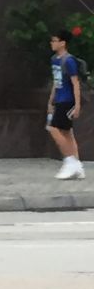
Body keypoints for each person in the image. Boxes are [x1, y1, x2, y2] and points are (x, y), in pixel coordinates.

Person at [47, 29, 84, 180]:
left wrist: (77, 104)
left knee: (53, 128)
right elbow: (56, 82)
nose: (52, 43)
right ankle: (77, 165)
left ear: (63, 43)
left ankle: (70, 161)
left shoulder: (69, 61)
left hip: (68, 100)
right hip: (59, 99)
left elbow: (76, 83)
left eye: (55, 40)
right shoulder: (54, 60)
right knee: (67, 133)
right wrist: (51, 100)